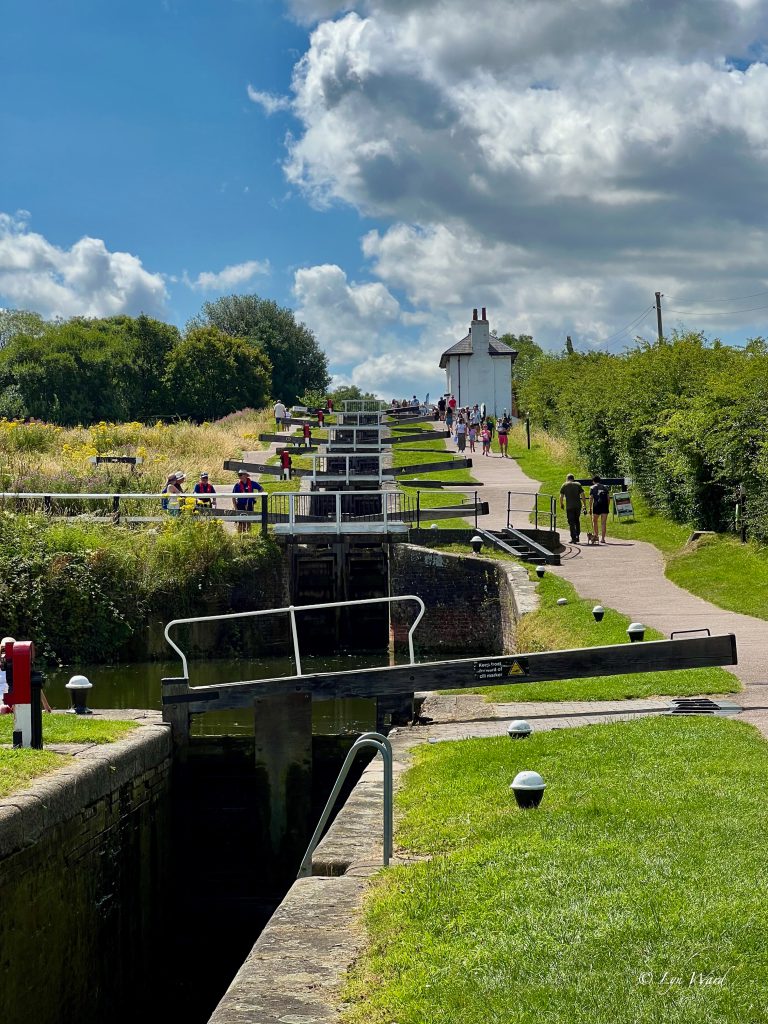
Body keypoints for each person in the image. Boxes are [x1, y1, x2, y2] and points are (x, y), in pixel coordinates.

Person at [559, 473, 587, 544]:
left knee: (571, 522)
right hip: (578, 506)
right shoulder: (578, 484)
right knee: (577, 520)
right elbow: (583, 495)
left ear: (567, 479)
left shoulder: (564, 485)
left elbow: (561, 496)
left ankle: (573, 538)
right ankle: (577, 535)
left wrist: (561, 504)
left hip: (569, 506)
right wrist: (584, 505)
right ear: (573, 479)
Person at [589, 475, 611, 543]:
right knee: (603, 523)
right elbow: (608, 498)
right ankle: (603, 539)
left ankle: (596, 536)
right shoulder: (605, 487)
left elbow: (591, 498)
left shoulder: (592, 487)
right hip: (604, 506)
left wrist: (590, 508)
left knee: (595, 521)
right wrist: (607, 506)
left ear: (593, 481)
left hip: (596, 506)